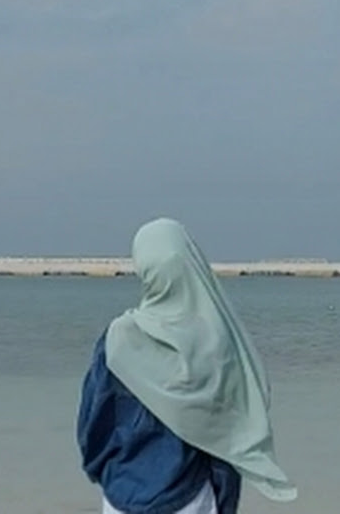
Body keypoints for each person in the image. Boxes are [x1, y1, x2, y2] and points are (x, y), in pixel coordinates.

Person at [77, 218, 297, 514]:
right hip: (190, 498)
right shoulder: (214, 341)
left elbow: (93, 426)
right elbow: (228, 436)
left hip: (121, 496)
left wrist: (110, 476)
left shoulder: (117, 339)